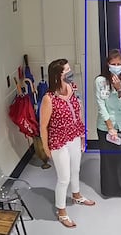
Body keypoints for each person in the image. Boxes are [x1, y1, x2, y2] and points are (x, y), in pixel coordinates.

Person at [40, 59, 95, 228]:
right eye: (67, 70)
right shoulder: (49, 99)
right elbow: (43, 125)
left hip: (74, 136)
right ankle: (62, 211)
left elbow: (77, 114)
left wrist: (82, 136)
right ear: (58, 74)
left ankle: (77, 195)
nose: (70, 72)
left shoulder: (73, 88)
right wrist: (46, 147)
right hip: (58, 141)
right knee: (64, 178)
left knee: (76, 169)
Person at [95, 49, 121, 197]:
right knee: (108, 159)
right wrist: (109, 127)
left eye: (119, 64)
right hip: (105, 125)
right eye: (113, 64)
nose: (116, 66)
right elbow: (101, 105)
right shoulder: (100, 81)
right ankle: (109, 189)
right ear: (108, 65)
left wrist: (119, 90)